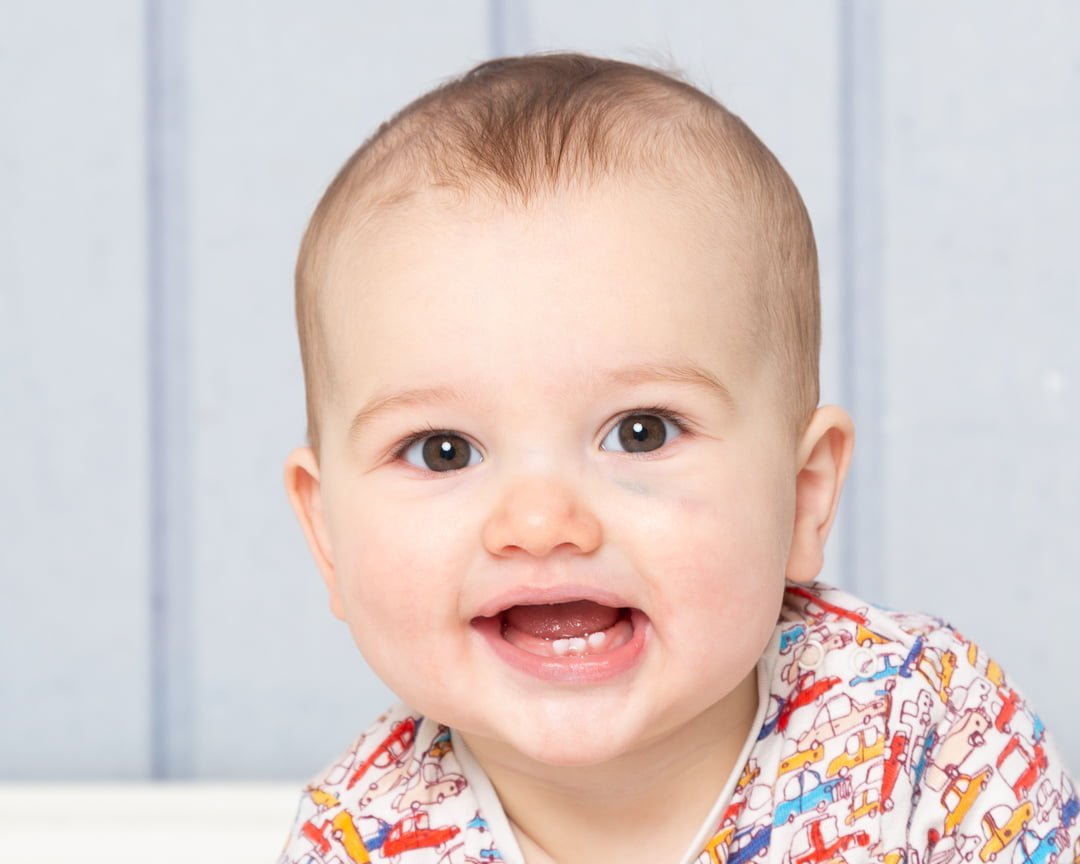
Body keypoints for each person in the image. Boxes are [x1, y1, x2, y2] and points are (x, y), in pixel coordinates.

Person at [278, 52, 1078, 864]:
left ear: (802, 497)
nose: (541, 521)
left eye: (641, 432)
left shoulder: (926, 733)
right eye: (443, 451)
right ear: (328, 536)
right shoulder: (359, 836)